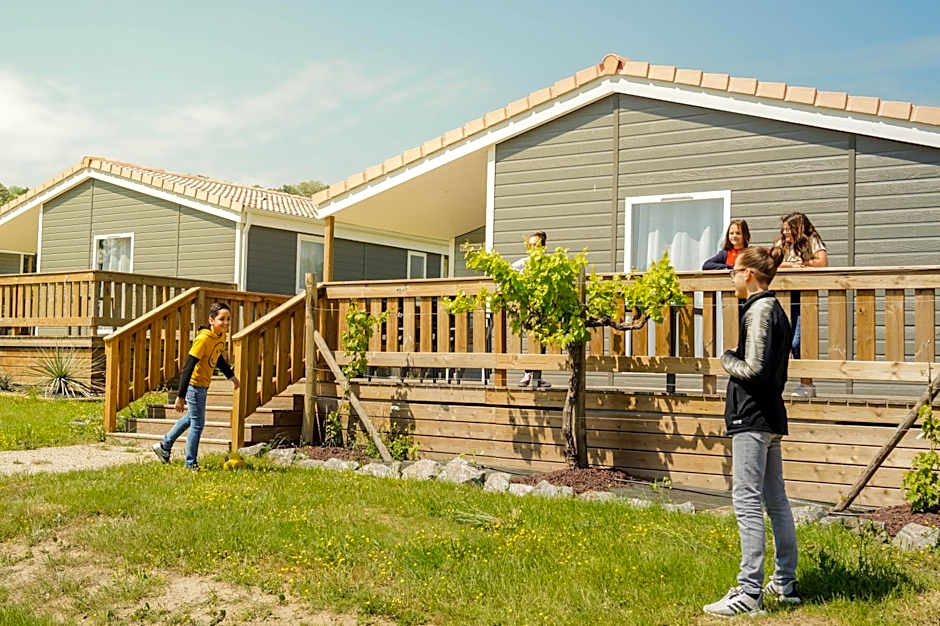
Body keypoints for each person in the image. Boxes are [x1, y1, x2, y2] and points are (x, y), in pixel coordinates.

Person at [703, 246, 800, 618]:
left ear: (749, 274)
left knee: (746, 501)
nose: (730, 277)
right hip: (771, 418)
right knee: (776, 500)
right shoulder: (776, 309)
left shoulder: (759, 309)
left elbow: (755, 370)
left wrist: (727, 359)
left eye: (733, 271)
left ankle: (749, 592)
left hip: (752, 418)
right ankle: (785, 583)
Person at [152, 302, 240, 469]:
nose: (226, 323)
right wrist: (180, 396)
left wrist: (231, 376)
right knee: (198, 424)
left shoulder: (220, 336)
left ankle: (164, 446)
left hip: (204, 385)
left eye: (228, 319)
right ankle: (190, 463)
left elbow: (218, 358)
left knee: (190, 419)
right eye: (222, 319)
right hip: (194, 386)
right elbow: (188, 367)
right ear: (211, 320)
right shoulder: (203, 339)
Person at [773, 212, 828, 398]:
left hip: (803, 298)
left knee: (798, 342)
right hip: (780, 297)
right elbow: (770, 264)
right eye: (784, 229)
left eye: (789, 229)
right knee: (778, 341)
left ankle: (807, 384)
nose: (785, 232)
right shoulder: (781, 243)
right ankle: (775, 384)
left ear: (798, 228)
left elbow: (822, 263)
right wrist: (788, 266)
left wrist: (803, 264)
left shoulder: (812, 240)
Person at [512, 231, 550, 390]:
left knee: (542, 342)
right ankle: (528, 373)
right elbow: (509, 273)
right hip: (526, 308)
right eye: (530, 245)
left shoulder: (549, 263)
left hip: (544, 309)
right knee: (529, 340)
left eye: (536, 245)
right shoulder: (523, 263)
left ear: (543, 247)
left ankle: (537, 376)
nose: (532, 248)